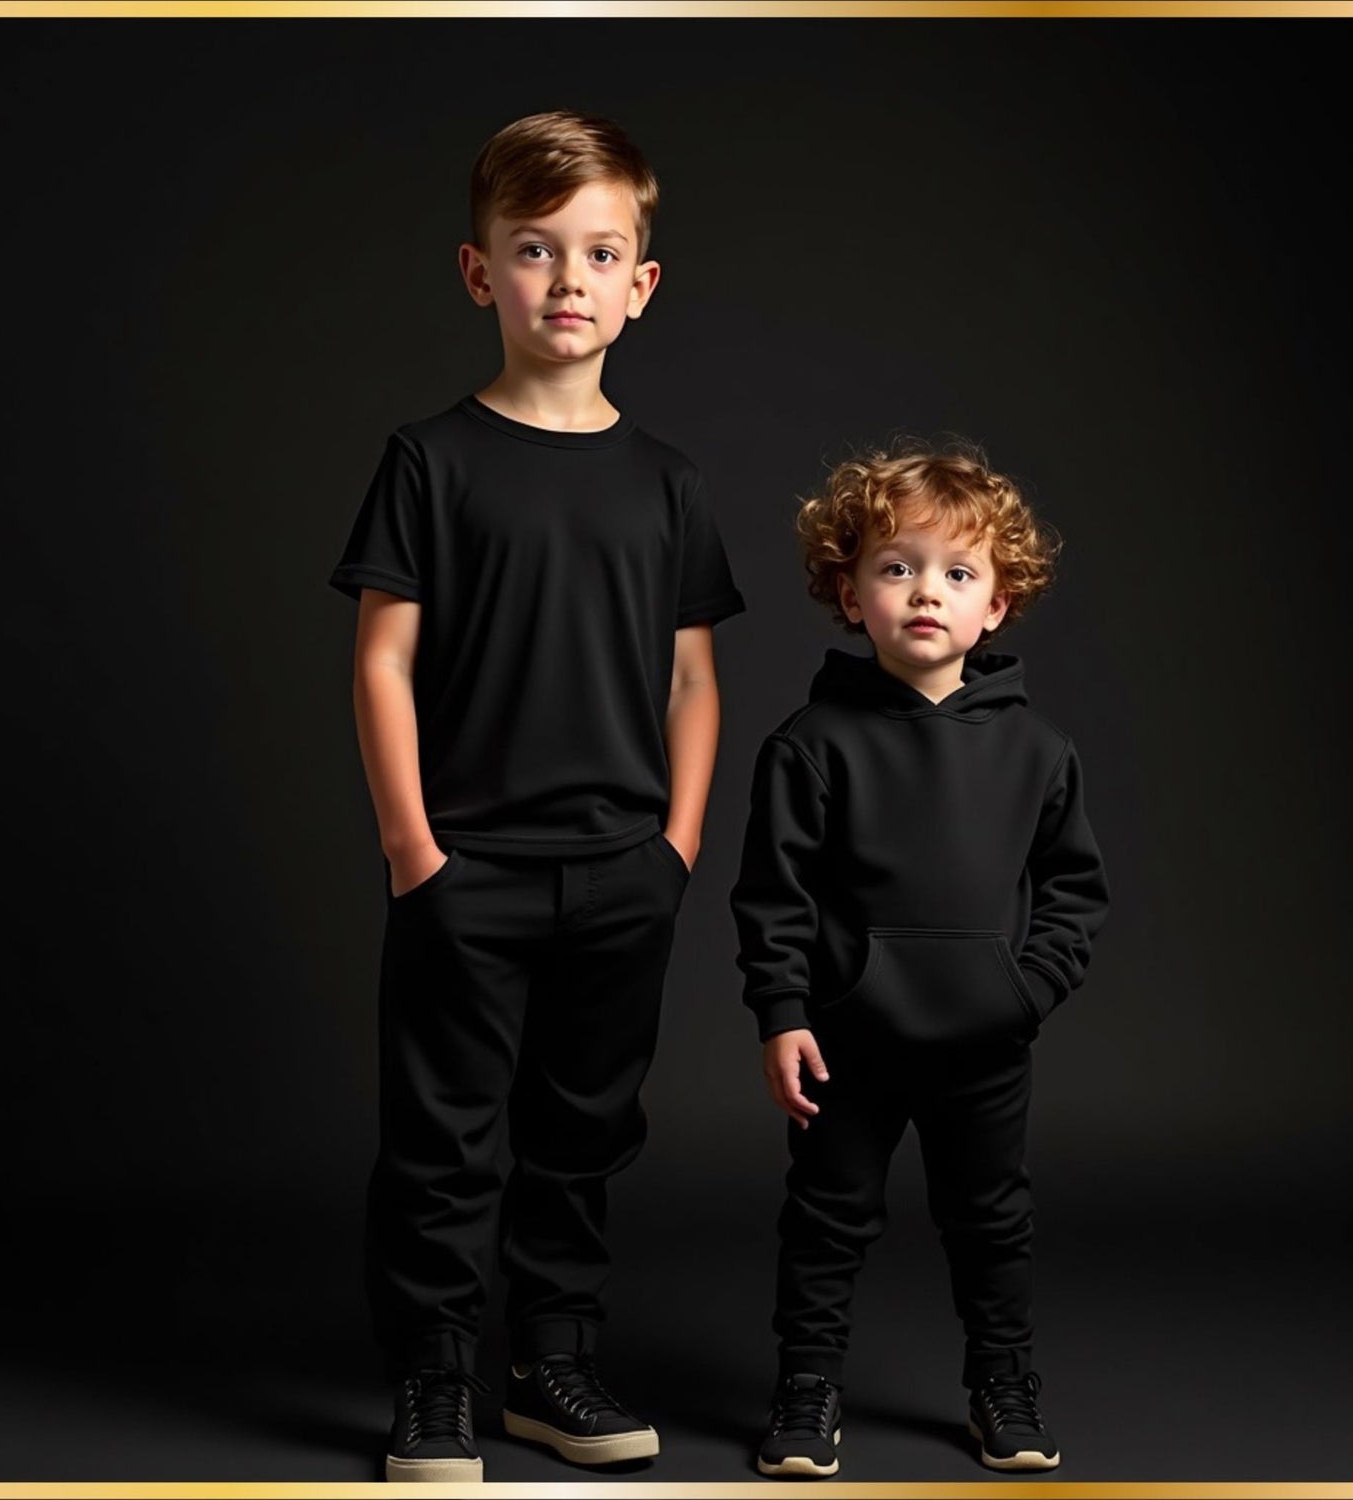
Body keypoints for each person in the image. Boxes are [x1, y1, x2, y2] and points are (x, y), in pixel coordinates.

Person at [329, 109, 745, 1484]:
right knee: (443, 1139)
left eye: (598, 251)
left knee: (581, 1131)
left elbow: (694, 682)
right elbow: (383, 662)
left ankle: (547, 1363)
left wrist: (676, 847)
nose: (566, 279)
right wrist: (415, 853)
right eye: (532, 250)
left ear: (643, 283)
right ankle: (434, 1383)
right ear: (477, 272)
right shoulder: (432, 462)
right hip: (471, 869)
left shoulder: (671, 483)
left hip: (623, 870)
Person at [729, 439, 1109, 1478]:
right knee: (825, 1224)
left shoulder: (1039, 751)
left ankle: (1002, 1384)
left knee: (992, 1225)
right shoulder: (809, 743)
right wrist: (784, 1013)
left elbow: (1075, 894)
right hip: (847, 1041)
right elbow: (774, 898)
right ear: (851, 598)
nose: (925, 593)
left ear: (998, 605)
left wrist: (1022, 992)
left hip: (985, 1040)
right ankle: (808, 1389)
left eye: (957, 572)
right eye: (895, 568)